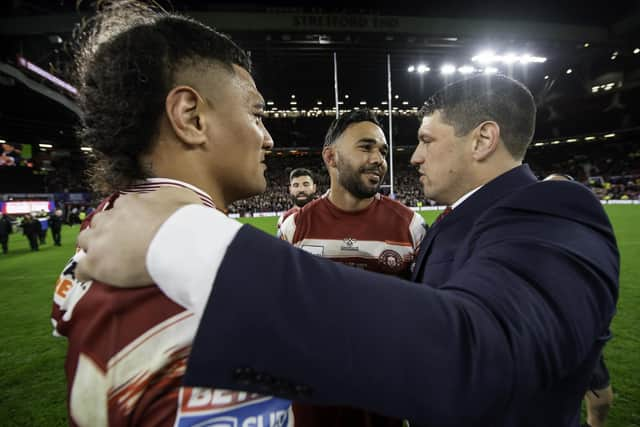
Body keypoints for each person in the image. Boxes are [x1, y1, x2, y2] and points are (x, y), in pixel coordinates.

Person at [76, 74, 619, 426]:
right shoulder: (454, 225)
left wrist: (190, 244)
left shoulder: (554, 207)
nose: (409, 159)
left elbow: (488, 347)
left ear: (481, 139)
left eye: (425, 140)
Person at [51, 4, 291, 426]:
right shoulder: (203, 293)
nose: (268, 138)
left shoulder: (107, 229)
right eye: (256, 114)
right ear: (191, 117)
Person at [282, 110, 425, 426]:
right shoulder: (295, 227)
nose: (378, 159)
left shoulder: (411, 227)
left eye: (383, 151)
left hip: (384, 401)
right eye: (366, 147)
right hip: (314, 402)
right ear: (331, 157)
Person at [543, 174, 614, 427]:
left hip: (585, 329)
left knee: (602, 399)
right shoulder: (524, 226)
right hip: (542, 332)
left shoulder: (589, 230)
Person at [275, 168, 316, 237]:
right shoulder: (284, 218)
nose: (301, 189)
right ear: (290, 189)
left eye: (306, 185)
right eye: (296, 185)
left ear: (314, 188)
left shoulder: (328, 213)